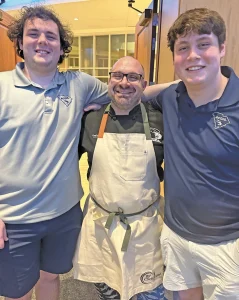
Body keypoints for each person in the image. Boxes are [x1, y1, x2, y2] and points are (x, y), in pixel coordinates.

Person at [0, 5, 172, 300]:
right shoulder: (2, 87)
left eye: (51, 36)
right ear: (19, 42)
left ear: (62, 46)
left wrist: (194, 86)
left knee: (51, 277)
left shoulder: (79, 84)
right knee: (17, 290)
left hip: (63, 213)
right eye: (33, 34)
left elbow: (126, 92)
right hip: (14, 215)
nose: (42, 41)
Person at [151, 8, 239, 300]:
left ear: (222, 48)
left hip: (228, 245)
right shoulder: (171, 98)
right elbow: (138, 91)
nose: (193, 56)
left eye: (204, 44)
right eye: (183, 48)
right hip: (176, 235)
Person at [73, 56, 168, 300]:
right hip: (100, 223)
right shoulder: (90, 119)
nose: (124, 82)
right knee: (107, 290)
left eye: (133, 77)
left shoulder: (160, 119)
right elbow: (63, 164)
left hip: (144, 227)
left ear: (144, 84)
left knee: (150, 292)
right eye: (118, 76)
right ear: (109, 80)